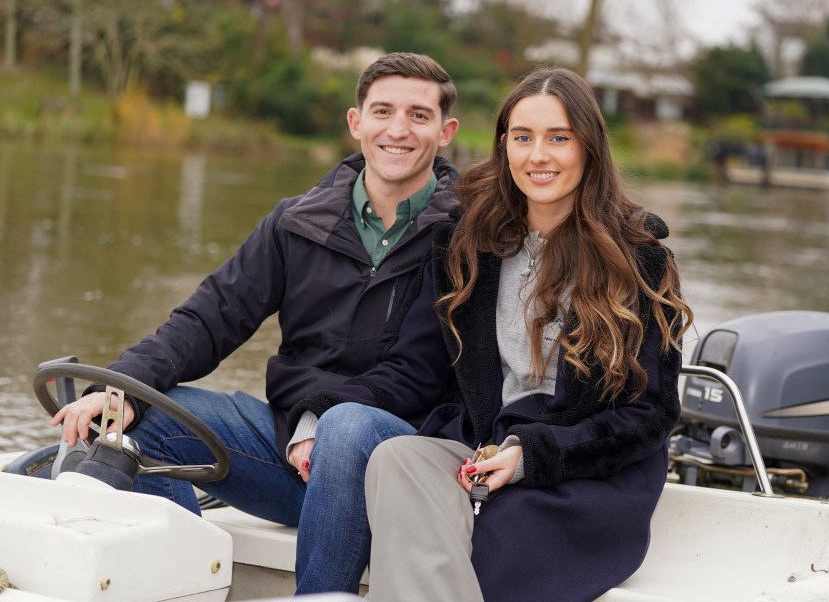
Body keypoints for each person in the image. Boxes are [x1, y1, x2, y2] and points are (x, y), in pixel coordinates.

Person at [49, 52, 460, 593]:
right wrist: (124, 387)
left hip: (399, 465)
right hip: (294, 454)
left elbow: (422, 371)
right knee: (143, 420)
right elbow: (209, 317)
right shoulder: (297, 221)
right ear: (356, 122)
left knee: (349, 427)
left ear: (446, 131)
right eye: (382, 111)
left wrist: (320, 421)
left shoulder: (468, 235)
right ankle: (187, 584)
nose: (398, 130)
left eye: (419, 115)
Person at [286, 66, 693, 600]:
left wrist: (532, 456)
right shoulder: (468, 244)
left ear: (588, 148)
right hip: (481, 450)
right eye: (522, 138)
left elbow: (652, 414)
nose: (537, 156)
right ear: (504, 147)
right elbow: (416, 368)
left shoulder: (638, 258)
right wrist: (321, 410)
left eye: (558, 139)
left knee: (490, 545)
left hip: (581, 470)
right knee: (396, 460)